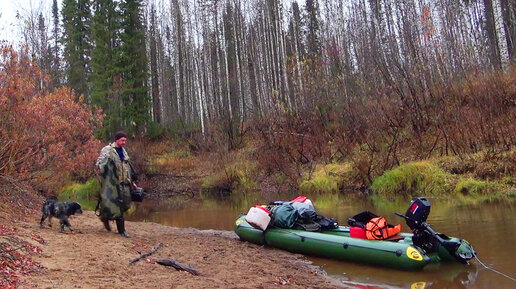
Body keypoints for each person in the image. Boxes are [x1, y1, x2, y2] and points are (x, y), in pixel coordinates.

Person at [95, 131, 139, 237]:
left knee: (126, 205)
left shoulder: (124, 151)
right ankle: (121, 231)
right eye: (122, 140)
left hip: (125, 183)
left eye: (125, 140)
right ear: (116, 140)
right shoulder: (108, 150)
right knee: (117, 207)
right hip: (113, 184)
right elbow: (99, 164)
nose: (124, 142)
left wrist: (132, 182)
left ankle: (105, 217)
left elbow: (127, 168)